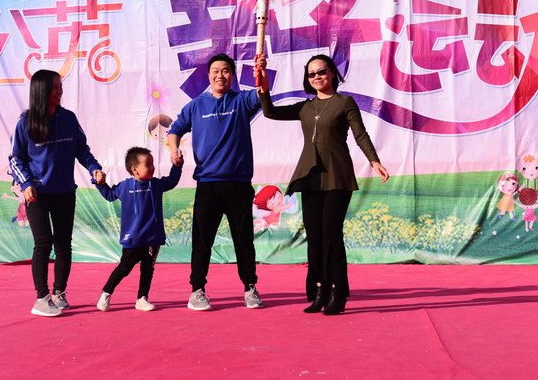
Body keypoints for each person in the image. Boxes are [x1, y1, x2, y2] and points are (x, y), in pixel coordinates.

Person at [255, 54, 389, 315]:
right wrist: (264, 87)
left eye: (321, 72)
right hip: (310, 178)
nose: (316, 77)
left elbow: (360, 134)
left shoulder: (345, 103)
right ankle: (320, 290)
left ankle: (339, 292)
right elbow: (270, 112)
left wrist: (374, 161)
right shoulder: (305, 107)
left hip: (337, 176)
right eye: (311, 74)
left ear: (332, 74)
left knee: (331, 234)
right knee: (315, 236)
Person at [168, 53, 264, 311]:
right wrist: (174, 150)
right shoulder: (196, 106)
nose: (220, 75)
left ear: (232, 75)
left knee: (243, 240)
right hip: (208, 185)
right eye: (215, 71)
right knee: (202, 241)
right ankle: (197, 290)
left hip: (238, 184)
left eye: (226, 71)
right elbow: (174, 130)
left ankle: (250, 287)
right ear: (209, 75)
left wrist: (261, 72)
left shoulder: (241, 100)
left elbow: (262, 93)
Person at [10, 69, 105, 317]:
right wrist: (26, 184)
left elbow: (81, 149)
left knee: (64, 244)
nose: (59, 91)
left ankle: (59, 293)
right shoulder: (26, 123)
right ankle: (41, 298)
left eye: (60, 86)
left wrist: (94, 168)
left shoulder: (69, 119)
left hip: (64, 192)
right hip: (37, 194)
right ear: (41, 91)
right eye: (54, 87)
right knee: (43, 243)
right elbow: (16, 159)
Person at [94, 147, 183, 312]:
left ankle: (142, 298)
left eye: (152, 164)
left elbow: (172, 181)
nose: (152, 168)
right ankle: (106, 293)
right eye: (147, 165)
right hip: (133, 239)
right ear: (134, 169)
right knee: (124, 268)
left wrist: (177, 165)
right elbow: (109, 195)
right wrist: (100, 184)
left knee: (148, 269)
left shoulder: (156, 184)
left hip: (153, 238)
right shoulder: (124, 186)